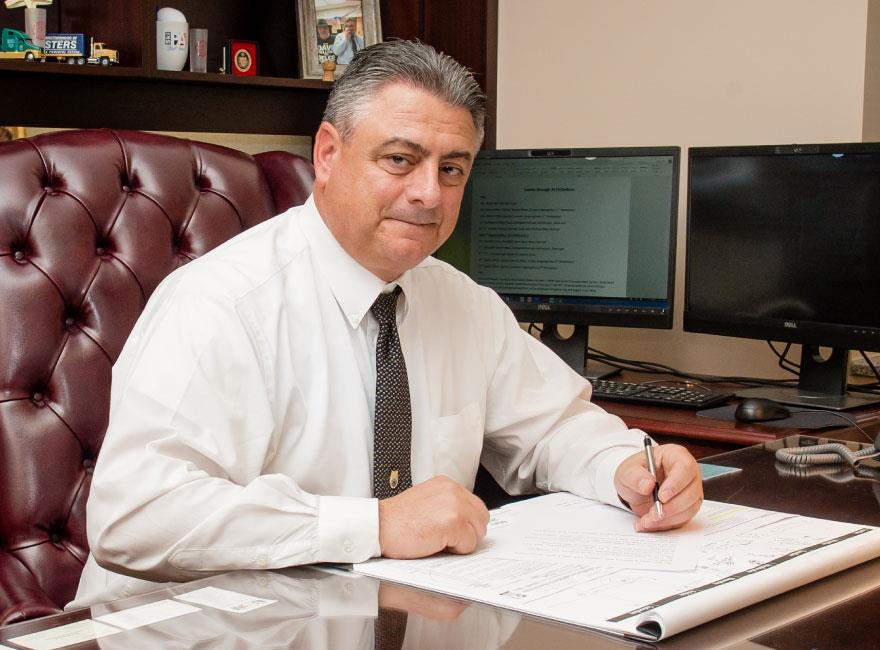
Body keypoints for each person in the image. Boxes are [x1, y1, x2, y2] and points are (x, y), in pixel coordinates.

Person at [72, 40, 703, 606]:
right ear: (327, 154)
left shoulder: (463, 304)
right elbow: (135, 516)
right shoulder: (223, 303)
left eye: (452, 169)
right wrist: (374, 526)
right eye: (401, 160)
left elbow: (554, 428)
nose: (430, 192)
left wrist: (628, 467)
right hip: (187, 628)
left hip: (380, 616)